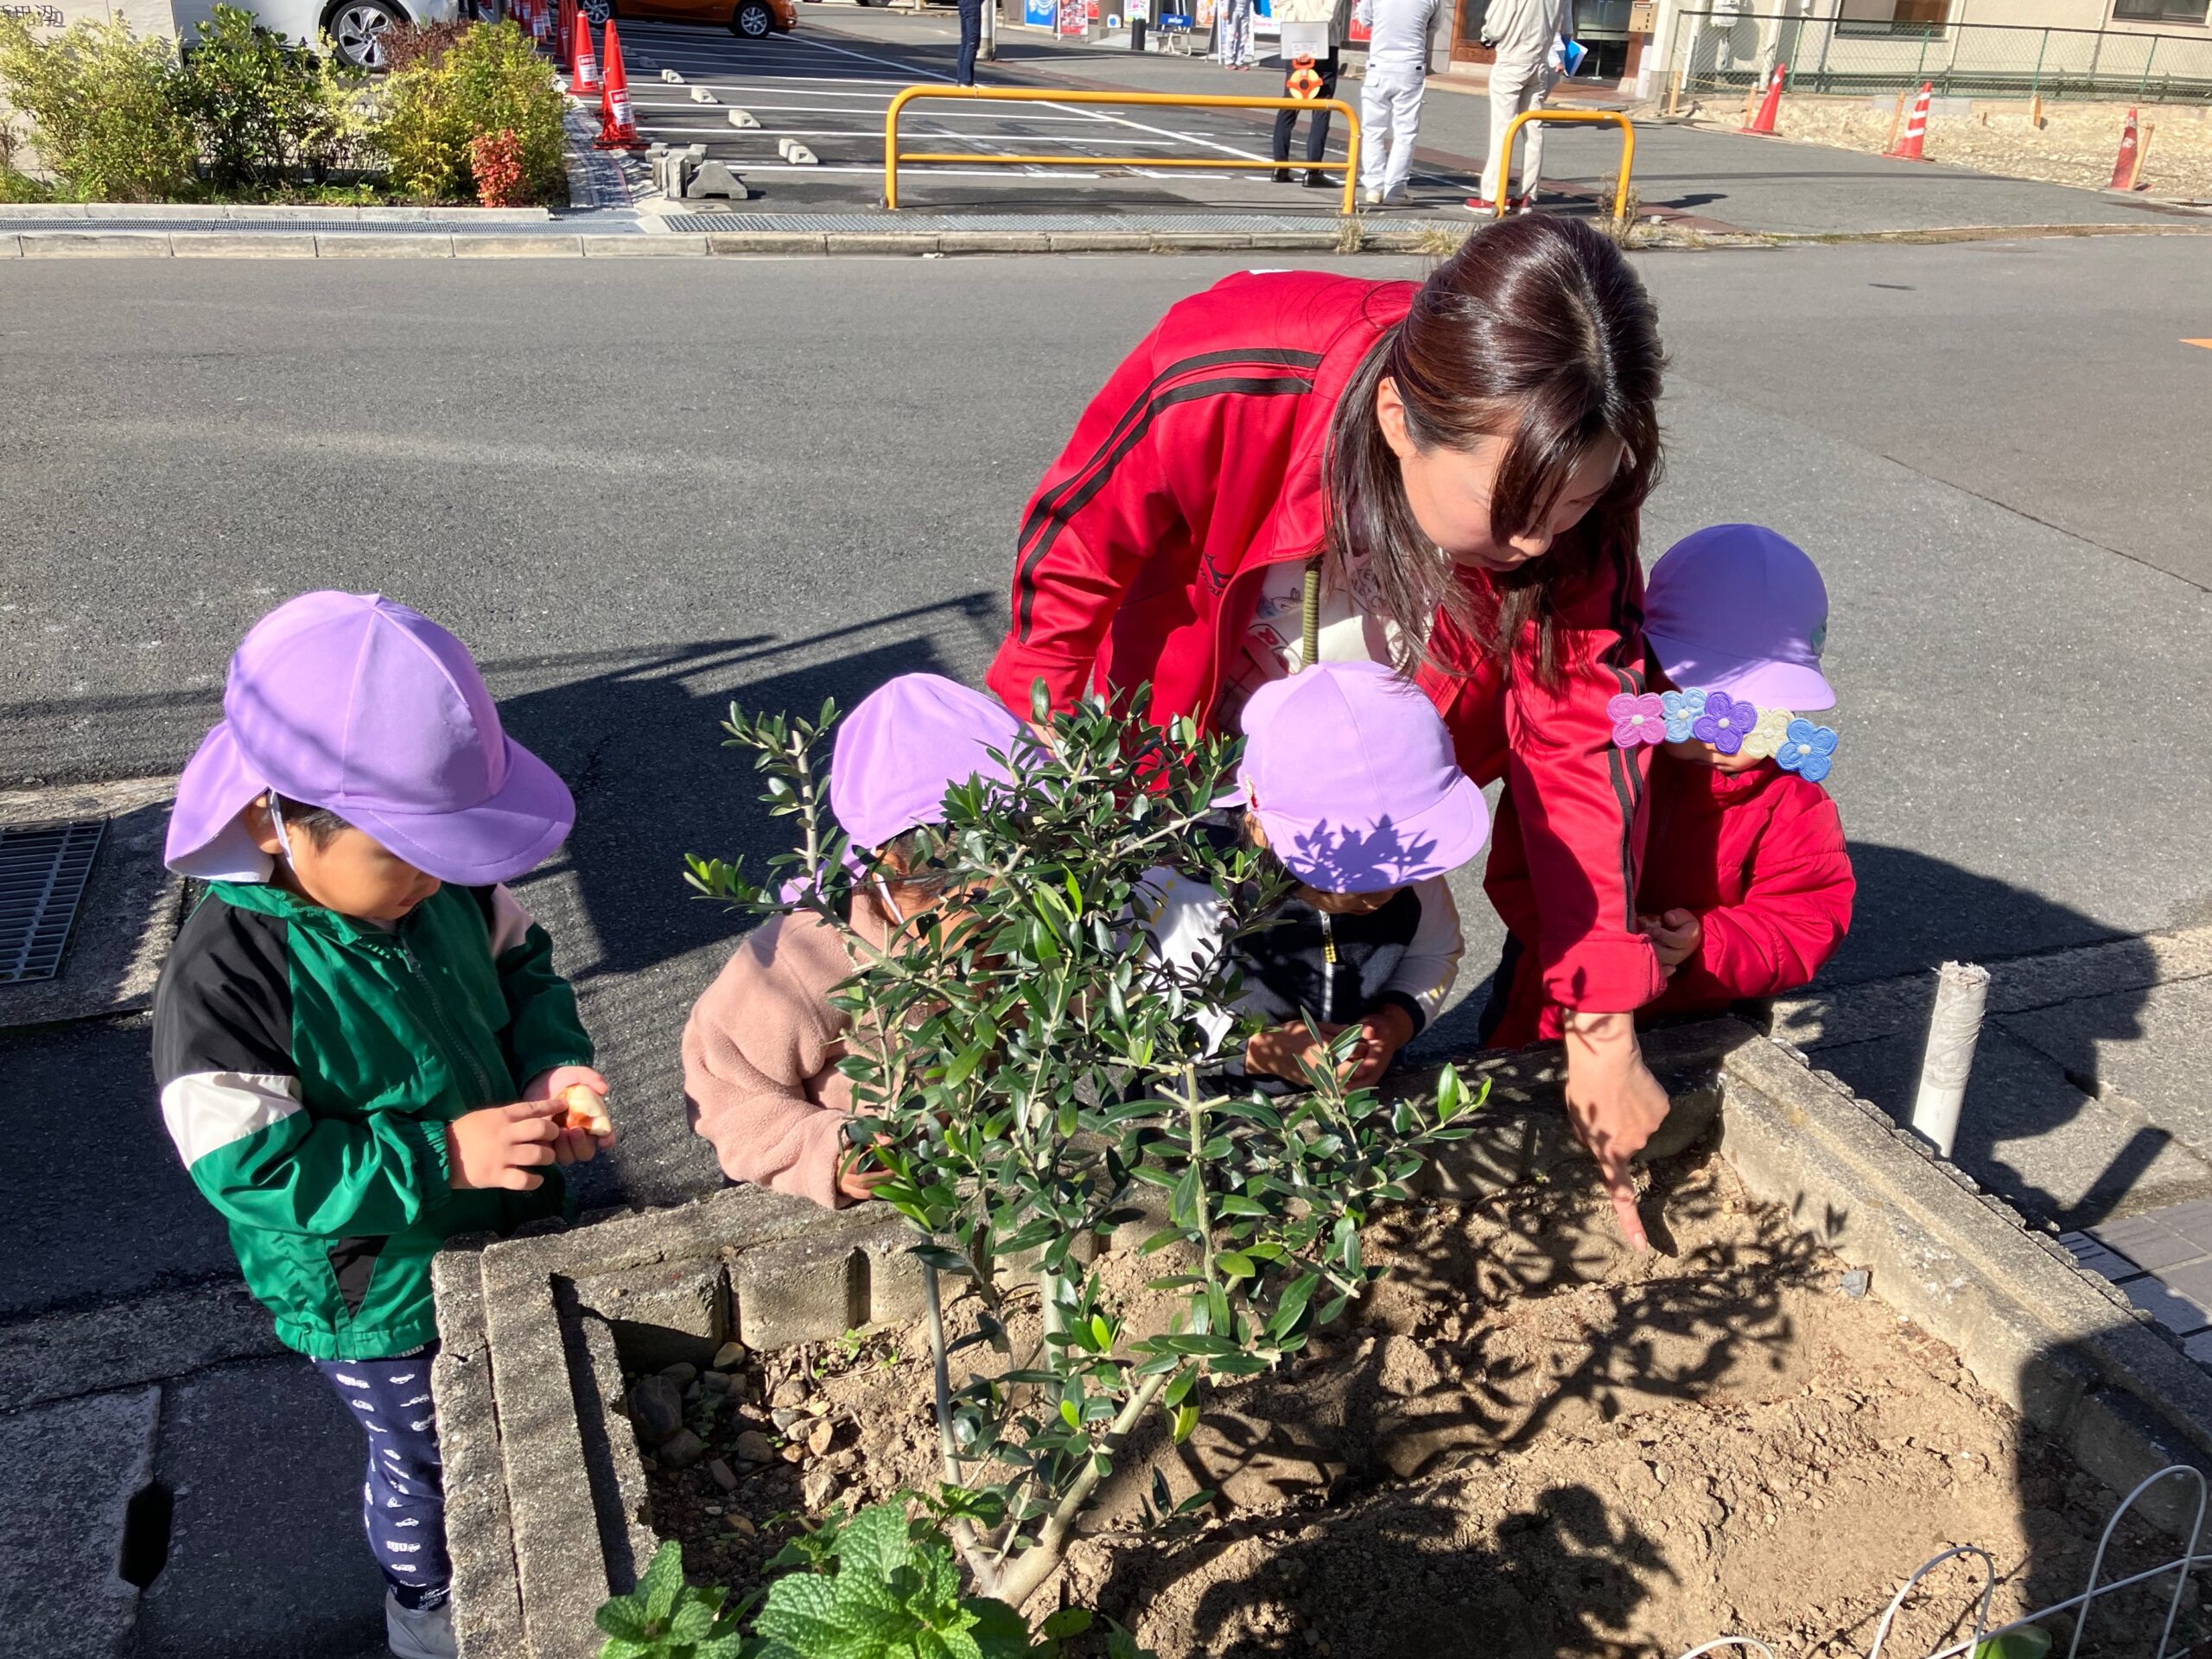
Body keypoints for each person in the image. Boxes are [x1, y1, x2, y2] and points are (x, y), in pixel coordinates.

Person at [987, 215, 1671, 1248]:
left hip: (1389, 747)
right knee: (1176, 942)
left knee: (1361, 939)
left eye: (1574, 505)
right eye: (1512, 509)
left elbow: (1584, 743)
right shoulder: (1228, 368)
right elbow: (1072, 562)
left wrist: (1601, 1025)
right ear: (1398, 419)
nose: (1538, 544)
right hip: (1202, 719)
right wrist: (1025, 789)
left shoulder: (1568, 508)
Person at [152, 592, 608, 1659]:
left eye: (439, 855)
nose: (426, 880)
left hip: (501, 1215)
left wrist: (555, 1066)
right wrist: (445, 1152)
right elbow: (248, 1162)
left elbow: (523, 967)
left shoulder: (441, 886)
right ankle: (429, 1603)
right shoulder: (230, 970)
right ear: (274, 818)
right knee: (432, 1453)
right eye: (394, 856)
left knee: (514, 1416)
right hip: (374, 1286)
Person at [1481, 525, 1855, 1046]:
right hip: (1557, 999)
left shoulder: (1791, 804)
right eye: (1706, 702)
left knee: (1685, 1118)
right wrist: (1596, 939)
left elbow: (1807, 917)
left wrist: (1706, 943)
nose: (1732, 733)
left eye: (1765, 706)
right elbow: (1522, 867)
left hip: (1700, 1018)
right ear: (1649, 666)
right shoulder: (1588, 765)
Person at [683, 674, 1023, 1208]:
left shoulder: (1028, 924)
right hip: (855, 1194)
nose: (996, 920)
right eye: (968, 902)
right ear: (888, 870)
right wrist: (827, 1151)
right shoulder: (805, 957)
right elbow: (726, 1088)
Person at [1139, 661, 1487, 1089]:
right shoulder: (1195, 883)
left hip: (1351, 1100)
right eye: (1352, 875)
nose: (1381, 893)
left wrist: (1391, 1026)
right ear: (1261, 830)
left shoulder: (1407, 864)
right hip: (1202, 1108)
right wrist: (1255, 1050)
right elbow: (1139, 1016)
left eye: (1397, 876)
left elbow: (1433, 953)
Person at [1465, 0, 1572, 214]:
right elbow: (1566, 28)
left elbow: (1495, 25)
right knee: (1534, 129)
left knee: (1502, 130)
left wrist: (1487, 36)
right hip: (1541, 62)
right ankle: (1526, 195)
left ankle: (1492, 196)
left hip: (1512, 59)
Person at [1354, 0, 1442, 206]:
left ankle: (1374, 186)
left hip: (1379, 65)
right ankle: (1395, 190)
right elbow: (1434, 26)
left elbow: (1365, 19)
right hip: (1411, 66)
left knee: (1373, 129)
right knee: (1405, 132)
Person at [1270, 0, 1357, 188]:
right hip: (1324, 43)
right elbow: (1330, 11)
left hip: (1294, 39)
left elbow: (1281, 4)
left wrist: (1298, 30)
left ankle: (1280, 166)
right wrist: (1313, 36)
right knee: (1321, 106)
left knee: (1290, 102)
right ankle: (1313, 171)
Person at [1214, 0, 1257, 69]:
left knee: (1243, 37)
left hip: (1245, 10)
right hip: (1234, 9)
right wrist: (1226, 10)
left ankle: (1239, 61)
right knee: (1231, 36)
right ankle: (1229, 61)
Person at [956, 0, 984, 86]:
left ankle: (962, 78)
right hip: (972, 5)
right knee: (972, 41)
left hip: (963, 4)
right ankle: (966, 79)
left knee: (965, 42)